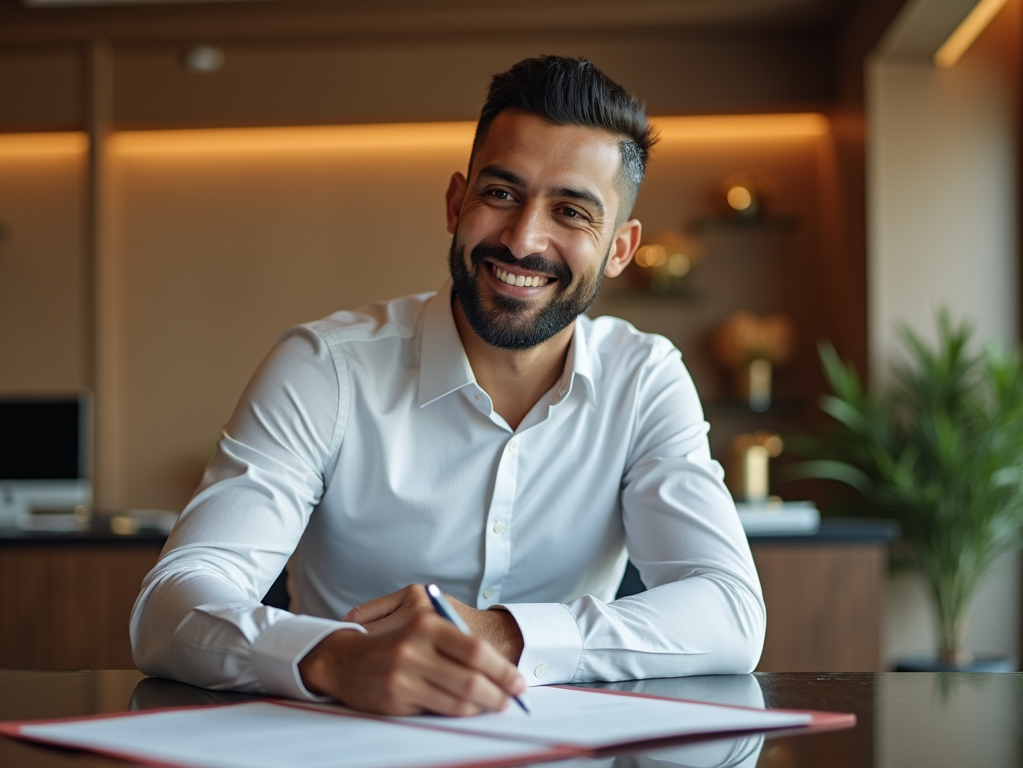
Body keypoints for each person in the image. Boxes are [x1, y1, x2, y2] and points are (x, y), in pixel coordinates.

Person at [130, 55, 764, 717]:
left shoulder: (645, 377)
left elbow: (729, 610)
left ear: (620, 250)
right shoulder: (323, 366)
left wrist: (509, 634)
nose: (523, 240)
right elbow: (171, 604)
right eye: (501, 194)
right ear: (457, 203)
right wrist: (335, 656)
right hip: (343, 745)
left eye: (572, 212)